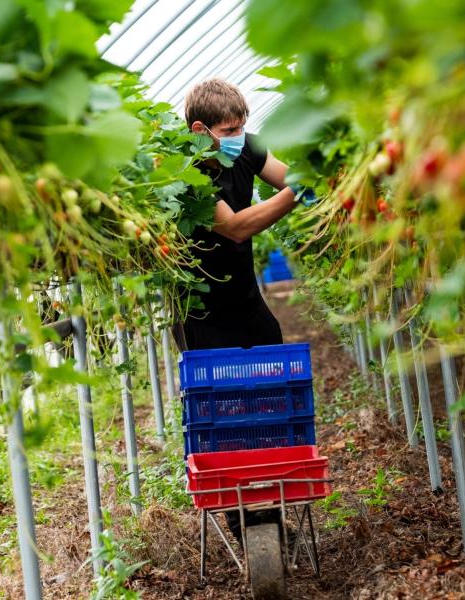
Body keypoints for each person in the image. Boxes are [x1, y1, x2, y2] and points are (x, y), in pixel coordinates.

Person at [177, 78, 303, 542]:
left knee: (274, 395)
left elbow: (285, 173)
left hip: (249, 302)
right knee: (222, 415)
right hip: (203, 316)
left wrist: (309, 178)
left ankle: (271, 495)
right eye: (228, 130)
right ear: (199, 130)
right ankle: (242, 516)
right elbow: (234, 228)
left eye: (241, 127)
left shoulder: (246, 146)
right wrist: (294, 195)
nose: (238, 137)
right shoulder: (182, 173)